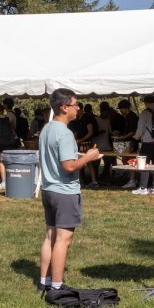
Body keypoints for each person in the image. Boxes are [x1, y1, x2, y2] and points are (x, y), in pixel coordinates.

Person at [38, 88, 102, 294]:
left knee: (50, 236)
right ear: (64, 108)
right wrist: (89, 157)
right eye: (76, 105)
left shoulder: (47, 128)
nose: (78, 108)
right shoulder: (65, 133)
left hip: (48, 189)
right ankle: (57, 286)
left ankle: (44, 282)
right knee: (63, 240)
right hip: (64, 191)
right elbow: (69, 166)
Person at [132, 95, 154, 195]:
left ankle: (143, 187)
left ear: (146, 103)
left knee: (144, 164)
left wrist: (136, 137)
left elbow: (141, 128)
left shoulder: (145, 113)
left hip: (148, 142)